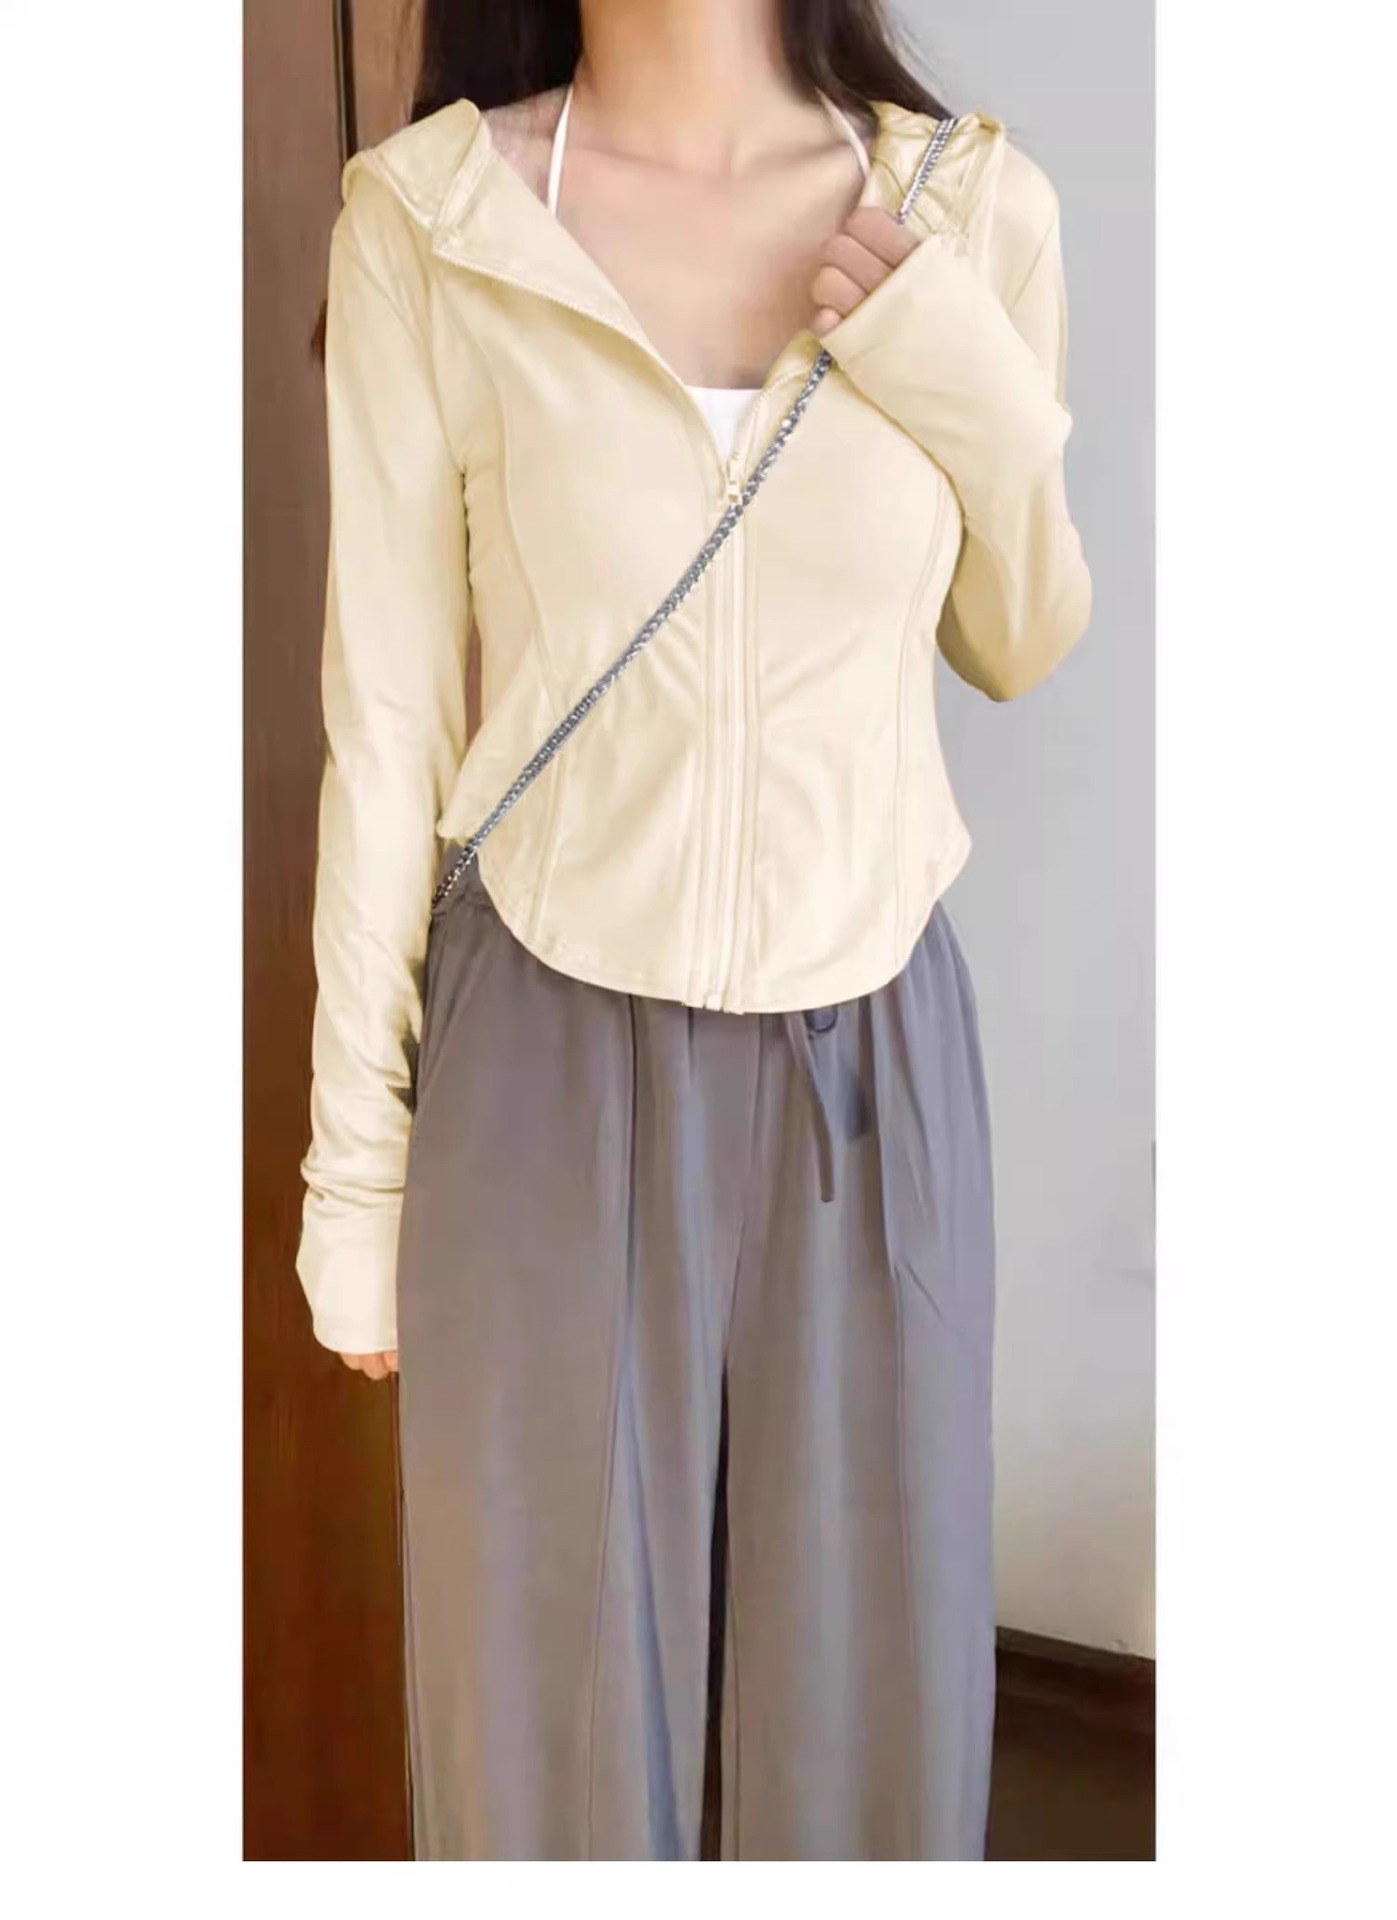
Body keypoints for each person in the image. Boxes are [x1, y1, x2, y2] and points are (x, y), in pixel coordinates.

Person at [295, 0, 1091, 1862]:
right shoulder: (429, 217)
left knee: (869, 1721)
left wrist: (964, 381)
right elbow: (386, 724)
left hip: (868, 1054)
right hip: (539, 1040)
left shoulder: (972, 208)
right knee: (537, 1731)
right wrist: (356, 1179)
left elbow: (1017, 637)